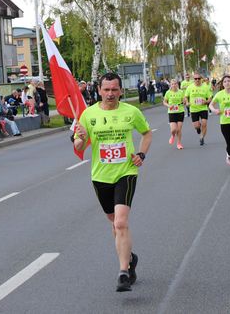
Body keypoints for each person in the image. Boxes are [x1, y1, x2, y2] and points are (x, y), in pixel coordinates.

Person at [73, 72, 152, 292]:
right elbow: (79, 148)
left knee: (120, 222)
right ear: (99, 90)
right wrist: (79, 137)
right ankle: (130, 258)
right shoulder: (88, 115)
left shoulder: (131, 112)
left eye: (114, 89)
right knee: (113, 222)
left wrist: (141, 154)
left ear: (120, 90)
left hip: (126, 172)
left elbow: (147, 134)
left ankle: (123, 272)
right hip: (100, 176)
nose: (110, 94)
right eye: (106, 90)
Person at [184, 73, 213, 146]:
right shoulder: (190, 87)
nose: (197, 80)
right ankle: (198, 128)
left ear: (201, 79)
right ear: (193, 80)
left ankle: (202, 137)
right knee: (196, 126)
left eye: (198, 78)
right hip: (193, 109)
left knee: (204, 124)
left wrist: (206, 101)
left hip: (203, 108)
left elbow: (210, 97)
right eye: (195, 79)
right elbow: (186, 96)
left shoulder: (205, 87)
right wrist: (187, 102)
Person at [163, 79, 185, 149]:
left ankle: (179, 143)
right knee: (173, 130)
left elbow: (184, 100)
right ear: (170, 85)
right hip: (172, 112)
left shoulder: (181, 92)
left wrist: (184, 101)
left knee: (179, 129)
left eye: (175, 84)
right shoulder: (168, 92)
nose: (174, 85)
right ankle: (172, 135)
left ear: (177, 84)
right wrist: (169, 106)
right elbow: (164, 102)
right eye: (172, 84)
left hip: (180, 111)